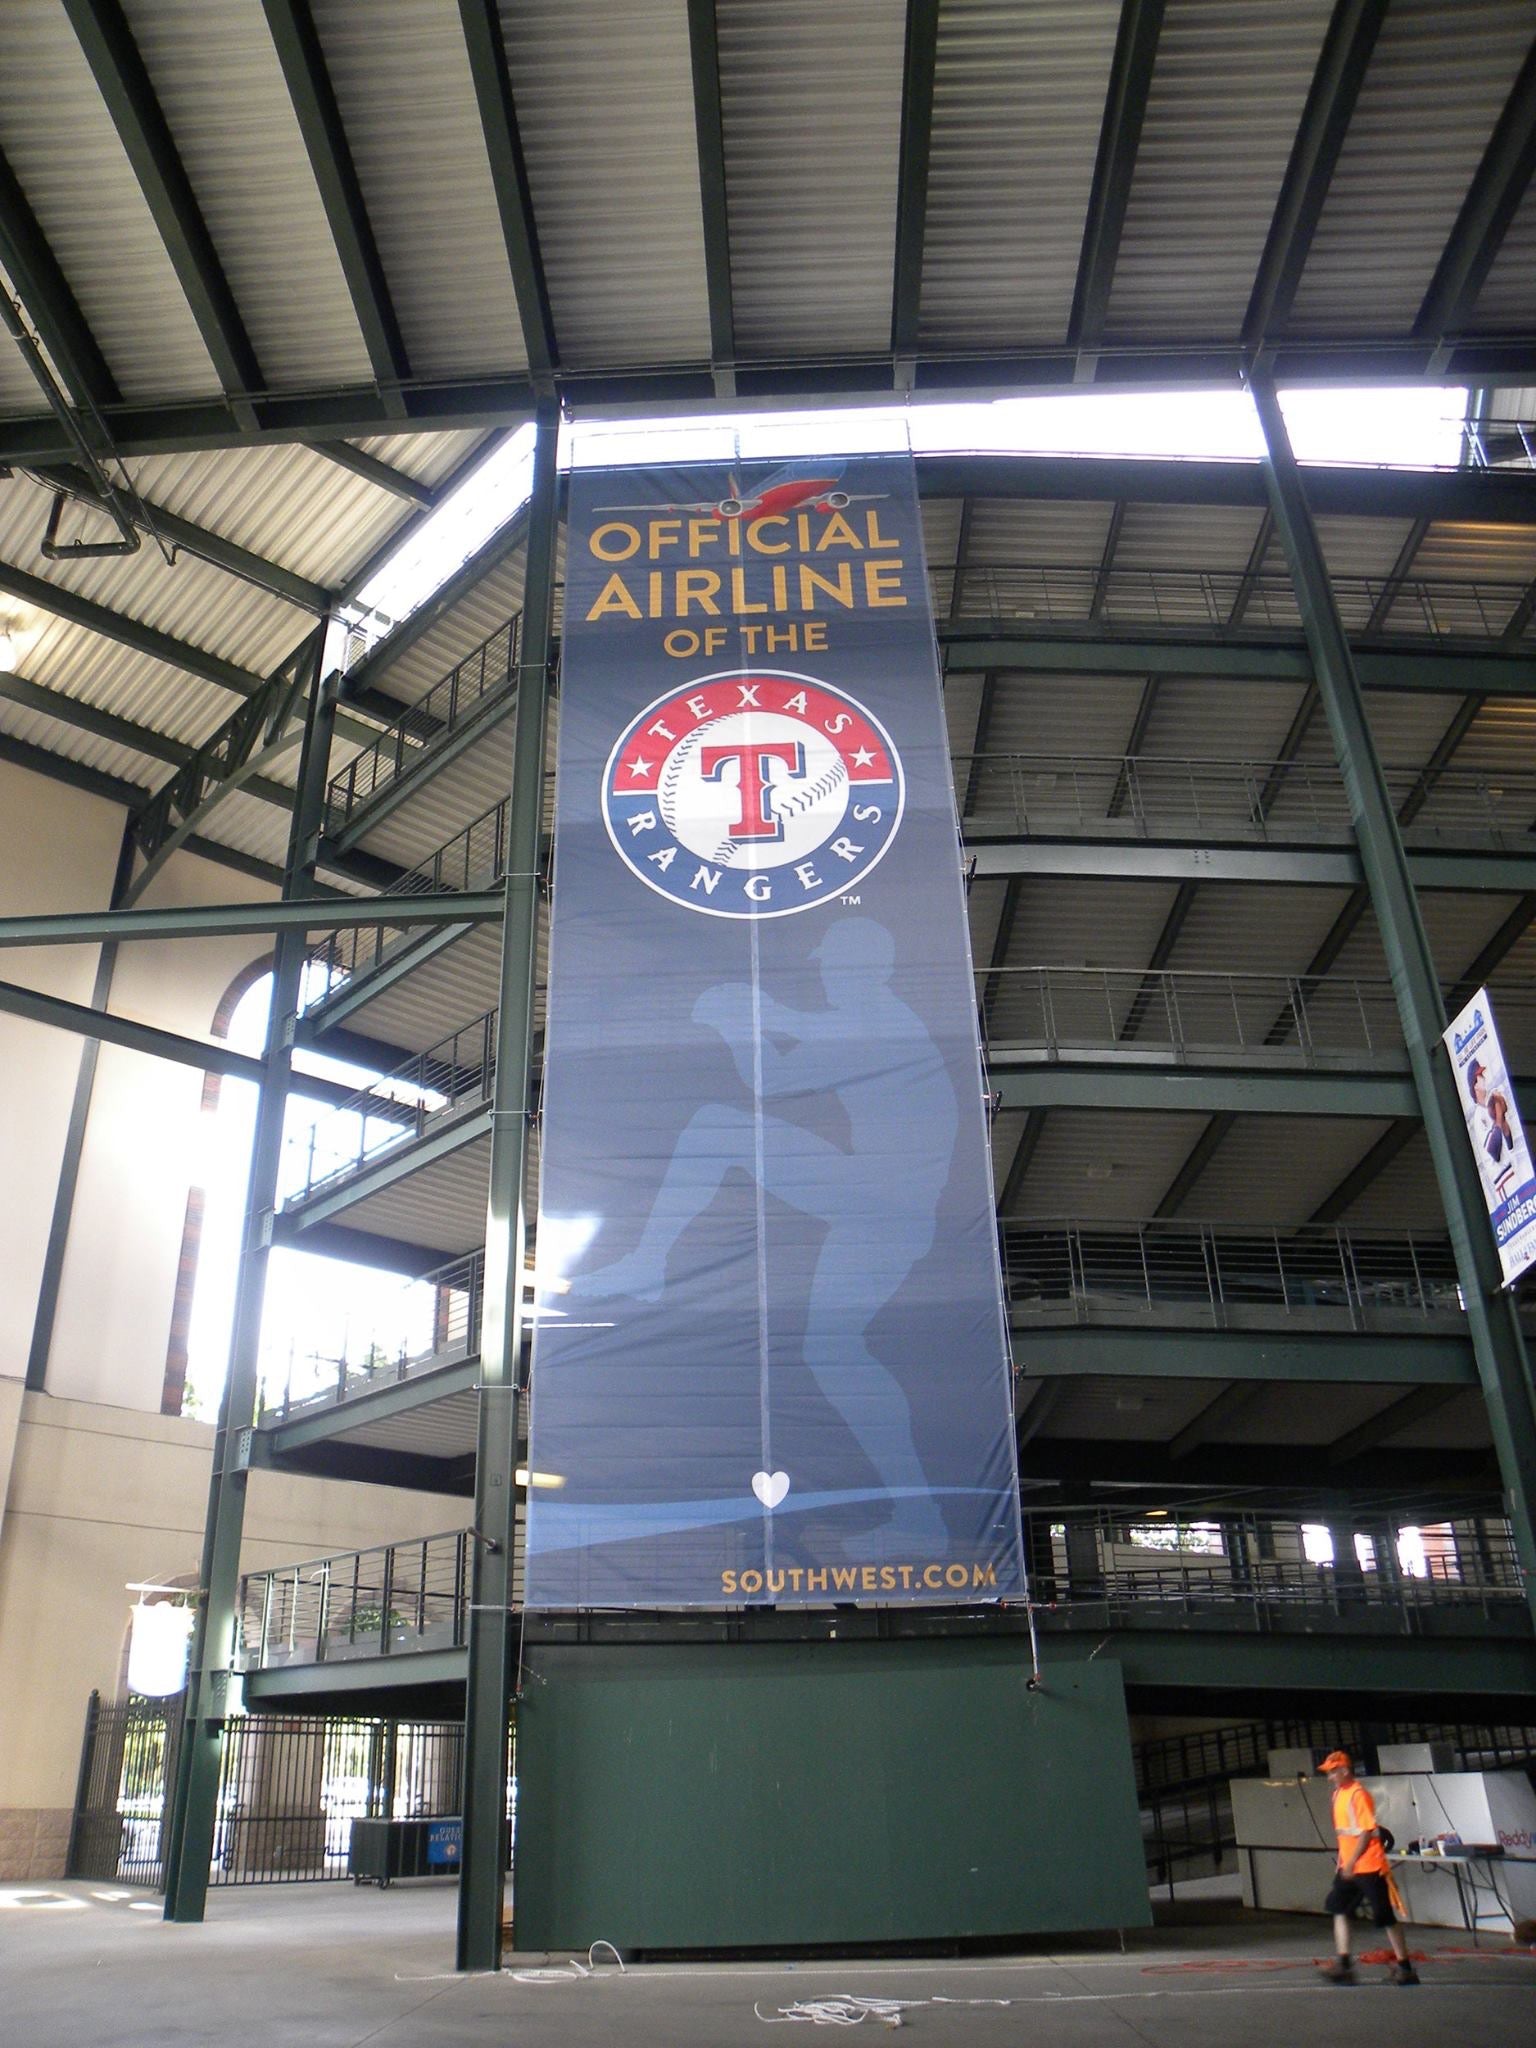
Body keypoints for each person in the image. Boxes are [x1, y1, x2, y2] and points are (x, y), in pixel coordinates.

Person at [1319, 1750, 1418, 1984]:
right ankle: (1344, 1965)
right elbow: (1346, 1835)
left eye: (1333, 1771)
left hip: (1369, 1866)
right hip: (1350, 1866)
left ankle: (1406, 1969)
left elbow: (1365, 1831)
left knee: (1385, 1916)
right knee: (1339, 1909)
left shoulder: (1358, 1794)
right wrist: (1344, 1862)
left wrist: (1351, 1861)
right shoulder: (1337, 1795)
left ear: (1344, 1770)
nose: (1330, 1776)